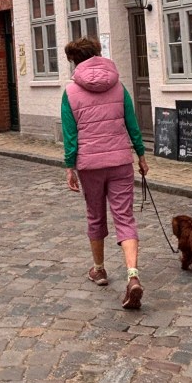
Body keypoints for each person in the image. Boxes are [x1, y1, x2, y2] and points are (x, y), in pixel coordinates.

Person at [61, 36, 148, 310]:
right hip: (120, 161)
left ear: (75, 61)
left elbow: (70, 136)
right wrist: (141, 155)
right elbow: (132, 124)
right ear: (98, 54)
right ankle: (133, 276)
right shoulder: (119, 87)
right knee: (125, 217)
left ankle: (99, 270)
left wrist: (70, 166)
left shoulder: (70, 92)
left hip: (90, 165)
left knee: (95, 215)